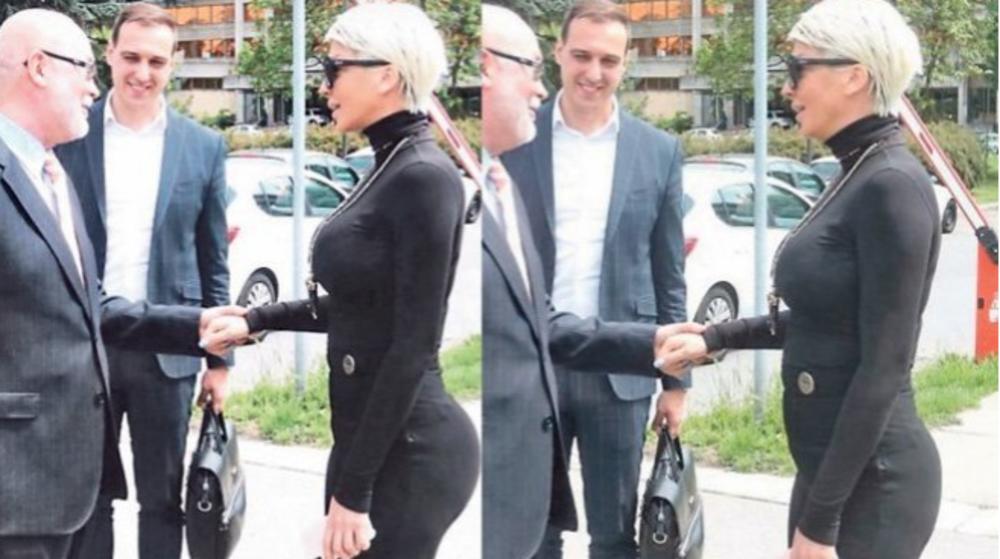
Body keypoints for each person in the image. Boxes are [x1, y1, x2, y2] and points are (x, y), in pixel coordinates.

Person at [656, 1, 941, 558]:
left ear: (854, 76)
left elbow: (884, 365)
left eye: (797, 69)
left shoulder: (891, 185)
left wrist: (822, 522)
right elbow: (826, 323)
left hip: (875, 485)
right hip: (829, 471)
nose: (787, 88)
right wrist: (714, 337)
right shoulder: (857, 171)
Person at [199, 4, 478, 558]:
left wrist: (355, 492)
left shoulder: (423, 176)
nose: (323, 86)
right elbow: (363, 308)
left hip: (410, 451)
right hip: (368, 442)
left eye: (333, 68)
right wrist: (256, 319)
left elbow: (413, 344)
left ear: (387, 74)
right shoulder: (390, 164)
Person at [0, 9, 237, 558]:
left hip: (160, 361)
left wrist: (210, 343)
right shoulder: (62, 148)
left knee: (161, 500)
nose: (139, 73)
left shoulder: (198, 147)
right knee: (92, 506)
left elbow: (209, 261)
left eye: (157, 60)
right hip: (55, 406)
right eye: (126, 58)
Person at [479, 5, 701, 558]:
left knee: (614, 535)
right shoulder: (516, 137)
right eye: (581, 55)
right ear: (558, 52)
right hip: (535, 368)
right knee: (533, 530)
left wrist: (676, 383)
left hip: (620, 373)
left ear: (626, 64)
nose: (593, 73)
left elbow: (669, 274)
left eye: (608, 60)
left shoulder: (658, 151)